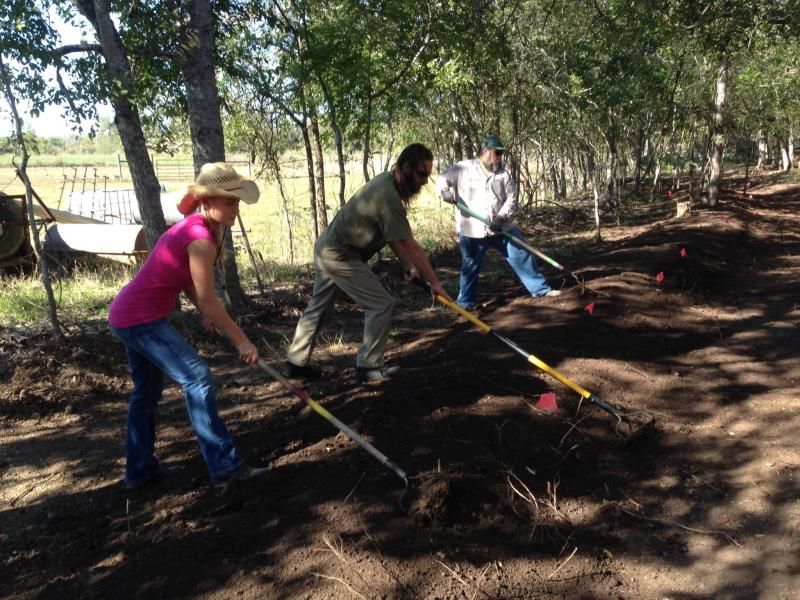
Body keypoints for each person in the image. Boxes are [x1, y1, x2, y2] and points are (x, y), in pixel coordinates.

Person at [108, 162, 268, 490]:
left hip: (126, 315)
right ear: (207, 201)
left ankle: (139, 472)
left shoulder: (196, 228)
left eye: (236, 201)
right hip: (140, 319)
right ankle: (226, 467)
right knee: (197, 377)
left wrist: (204, 310)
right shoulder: (199, 237)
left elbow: (189, 285)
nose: (236, 208)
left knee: (147, 393)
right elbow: (209, 297)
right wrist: (241, 341)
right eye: (229, 201)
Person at [282, 143, 452, 384]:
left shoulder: (388, 182)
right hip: (340, 254)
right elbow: (410, 245)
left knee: (319, 308)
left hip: (329, 248)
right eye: (422, 174)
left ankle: (295, 364)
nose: (425, 181)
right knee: (381, 303)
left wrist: (407, 265)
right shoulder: (388, 196)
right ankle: (369, 367)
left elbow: (395, 240)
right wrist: (434, 282)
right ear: (406, 167)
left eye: (428, 175)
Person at [436, 135, 560, 310]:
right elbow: (442, 179)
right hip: (472, 230)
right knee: (470, 265)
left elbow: (511, 199)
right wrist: (444, 191)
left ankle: (540, 290)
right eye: (497, 153)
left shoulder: (504, 174)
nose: (500, 157)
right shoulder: (462, 169)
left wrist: (501, 218)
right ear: (485, 151)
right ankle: (465, 303)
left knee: (521, 253)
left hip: (501, 228)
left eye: (501, 154)